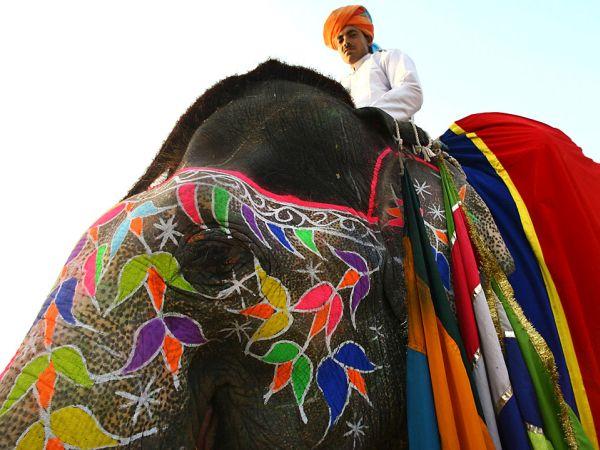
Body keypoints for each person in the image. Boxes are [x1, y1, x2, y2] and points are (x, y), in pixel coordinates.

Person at [323, 5, 423, 123]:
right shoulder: (340, 85)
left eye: (352, 34)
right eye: (340, 40)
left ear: (368, 39)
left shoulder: (386, 57)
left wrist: (368, 117)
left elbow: (411, 92)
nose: (346, 42)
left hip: (389, 137)